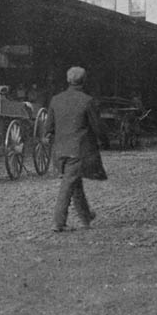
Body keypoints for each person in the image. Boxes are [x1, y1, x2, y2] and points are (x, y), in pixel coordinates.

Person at [44, 66, 105, 233]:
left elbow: (48, 127)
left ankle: (86, 216)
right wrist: (104, 140)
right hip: (78, 151)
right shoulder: (87, 100)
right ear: (84, 81)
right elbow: (97, 127)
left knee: (75, 182)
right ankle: (58, 222)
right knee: (68, 185)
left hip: (59, 150)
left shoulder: (56, 99)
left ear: (67, 80)